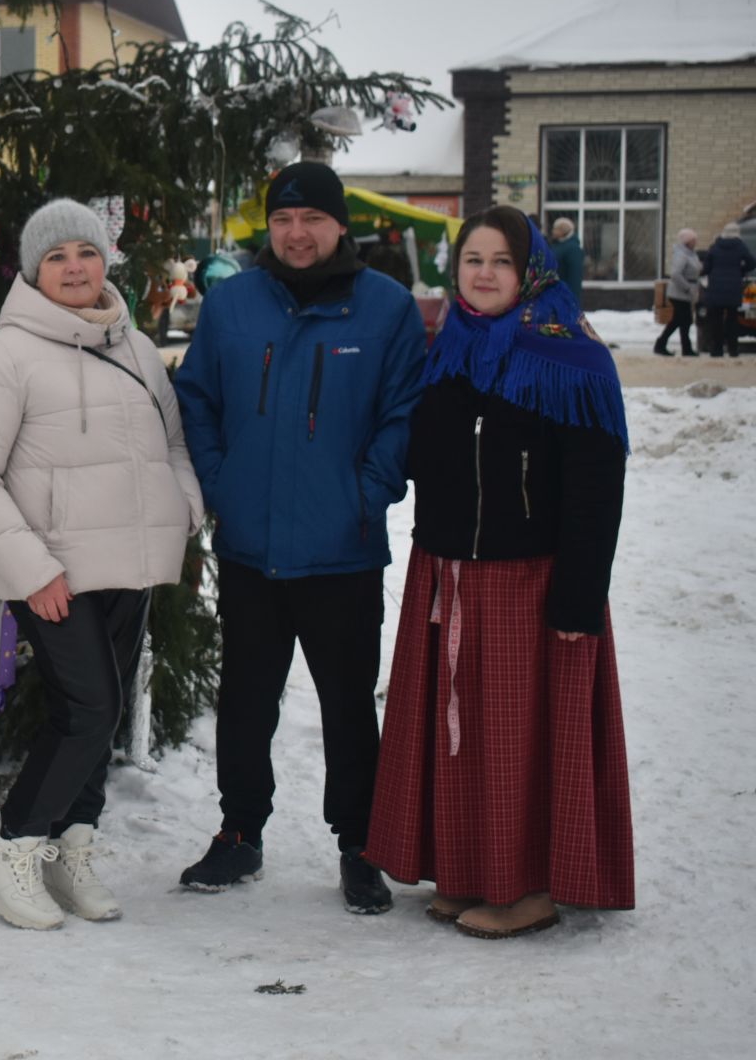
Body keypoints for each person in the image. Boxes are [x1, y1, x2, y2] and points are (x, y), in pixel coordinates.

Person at [367, 207, 633, 937]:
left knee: (516, 740)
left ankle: (527, 889)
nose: (483, 273)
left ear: (531, 272)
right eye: (472, 259)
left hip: (531, 581)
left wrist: (578, 600)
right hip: (449, 571)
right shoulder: (448, 350)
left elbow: (595, 491)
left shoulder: (572, 361)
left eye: (501, 261)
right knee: (459, 736)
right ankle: (467, 871)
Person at [172, 160, 426, 916]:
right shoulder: (233, 303)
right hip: (250, 547)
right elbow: (197, 401)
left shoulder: (385, 309)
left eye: (311, 218)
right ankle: (240, 832)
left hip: (341, 548)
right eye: (283, 220)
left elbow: (404, 412)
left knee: (349, 704)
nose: (296, 233)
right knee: (247, 701)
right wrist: (223, 487)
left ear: (340, 224)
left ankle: (359, 844)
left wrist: (365, 492)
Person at [0, 200, 204, 931]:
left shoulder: (137, 347)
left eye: (84, 254)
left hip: (133, 559)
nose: (73, 268)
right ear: (32, 270)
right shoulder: (3, 355)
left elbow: (173, 443)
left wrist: (181, 507)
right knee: (91, 710)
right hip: (54, 568)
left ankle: (71, 847)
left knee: (101, 711)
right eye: (56, 257)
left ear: (104, 262)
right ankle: (15, 847)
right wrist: (30, 569)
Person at [698, 222, 754, 359]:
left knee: (716, 320)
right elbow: (752, 262)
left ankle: (717, 350)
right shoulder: (740, 246)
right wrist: (740, 272)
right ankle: (733, 350)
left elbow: (706, 267)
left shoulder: (715, 246)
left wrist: (710, 274)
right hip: (733, 288)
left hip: (715, 288)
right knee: (732, 320)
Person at [654, 228, 702, 357]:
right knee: (682, 320)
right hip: (679, 293)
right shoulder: (682, 255)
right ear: (687, 241)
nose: (695, 242)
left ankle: (666, 345)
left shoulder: (691, 254)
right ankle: (666, 345)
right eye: (693, 240)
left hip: (686, 293)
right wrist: (687, 287)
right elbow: (675, 274)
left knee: (681, 320)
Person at [548, 217, 585, 298]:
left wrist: (571, 299)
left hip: (563, 295)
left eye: (555, 229)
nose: (553, 231)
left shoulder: (573, 249)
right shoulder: (556, 245)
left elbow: (575, 277)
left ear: (563, 230)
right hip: (554, 293)